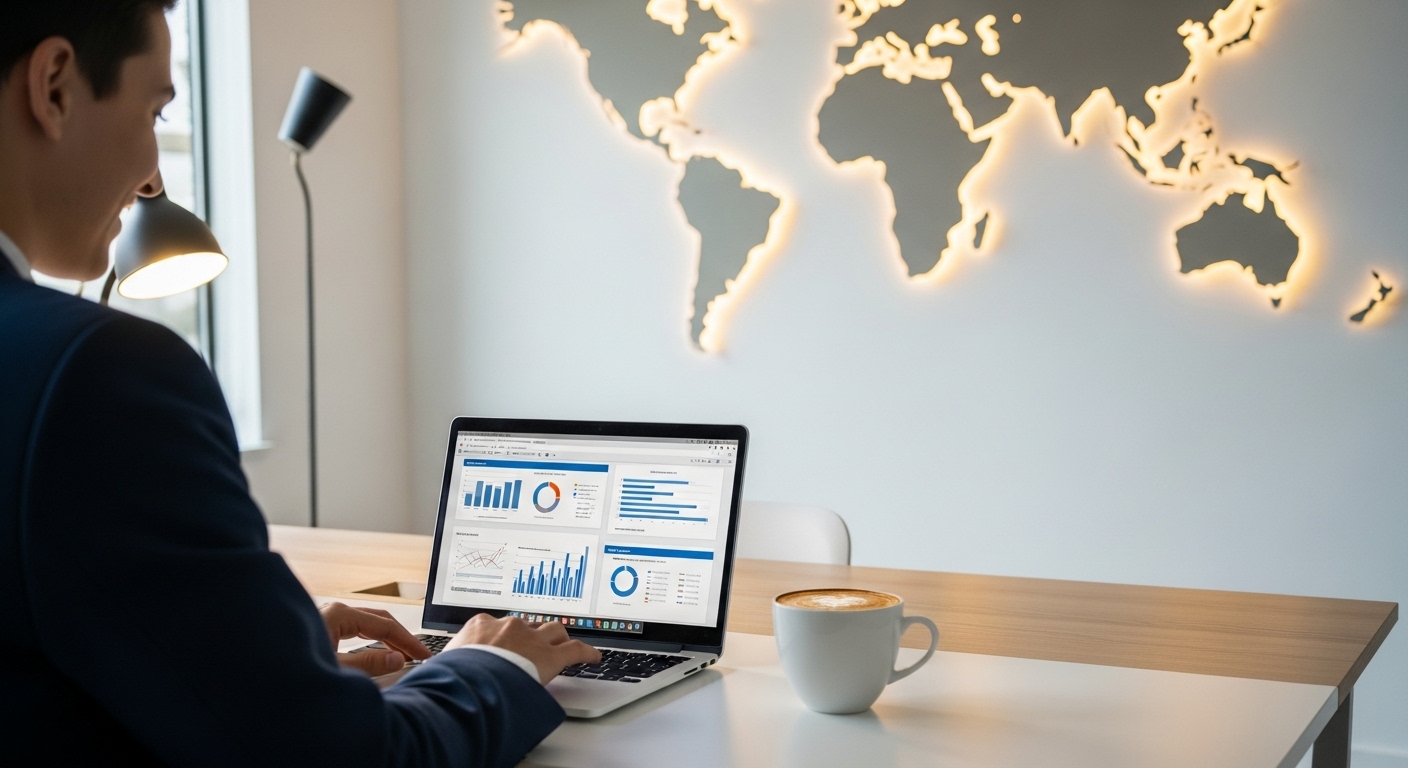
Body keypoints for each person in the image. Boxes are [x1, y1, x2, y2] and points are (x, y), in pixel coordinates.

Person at [0, 2, 598, 765]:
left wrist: (249, 659)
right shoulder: (95, 375)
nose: (153, 176)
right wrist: (493, 664)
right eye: (155, 108)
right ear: (53, 85)